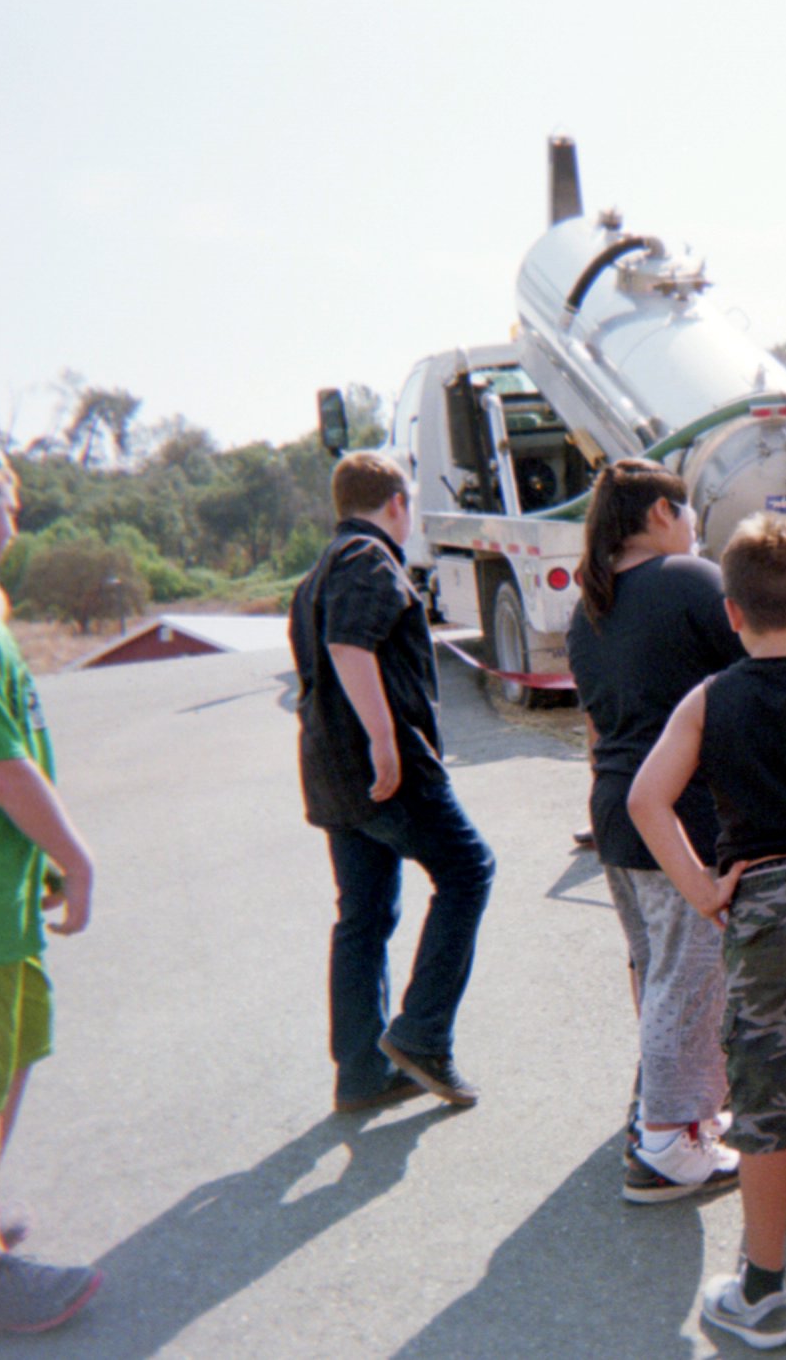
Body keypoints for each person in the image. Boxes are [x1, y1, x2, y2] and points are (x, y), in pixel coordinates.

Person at [628, 513, 786, 1350]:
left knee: (767, 1102)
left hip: (763, 910)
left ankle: (763, 1288)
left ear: (731, 612)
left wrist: (703, 890)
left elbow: (645, 800)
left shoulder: (709, 700)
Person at [290, 451, 495, 1113]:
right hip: (385, 768)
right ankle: (422, 1035)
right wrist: (383, 738)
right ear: (397, 503)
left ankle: (361, 1073)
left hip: (329, 772)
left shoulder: (318, 571)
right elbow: (350, 645)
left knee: (365, 915)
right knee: (469, 870)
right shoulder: (369, 557)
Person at [566, 461, 743, 1203]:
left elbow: (597, 725)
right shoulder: (690, 580)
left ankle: (666, 1117)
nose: (695, 527)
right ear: (663, 513)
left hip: (616, 810)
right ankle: (666, 1146)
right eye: (689, 511)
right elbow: (755, 667)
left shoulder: (589, 606)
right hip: (679, 813)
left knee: (659, 972)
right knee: (688, 980)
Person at [0, 448, 103, 1333]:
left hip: (7, 886)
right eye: (6, 501)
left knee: (10, 1056)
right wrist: (78, 858)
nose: (15, 519)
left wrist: (46, 855)